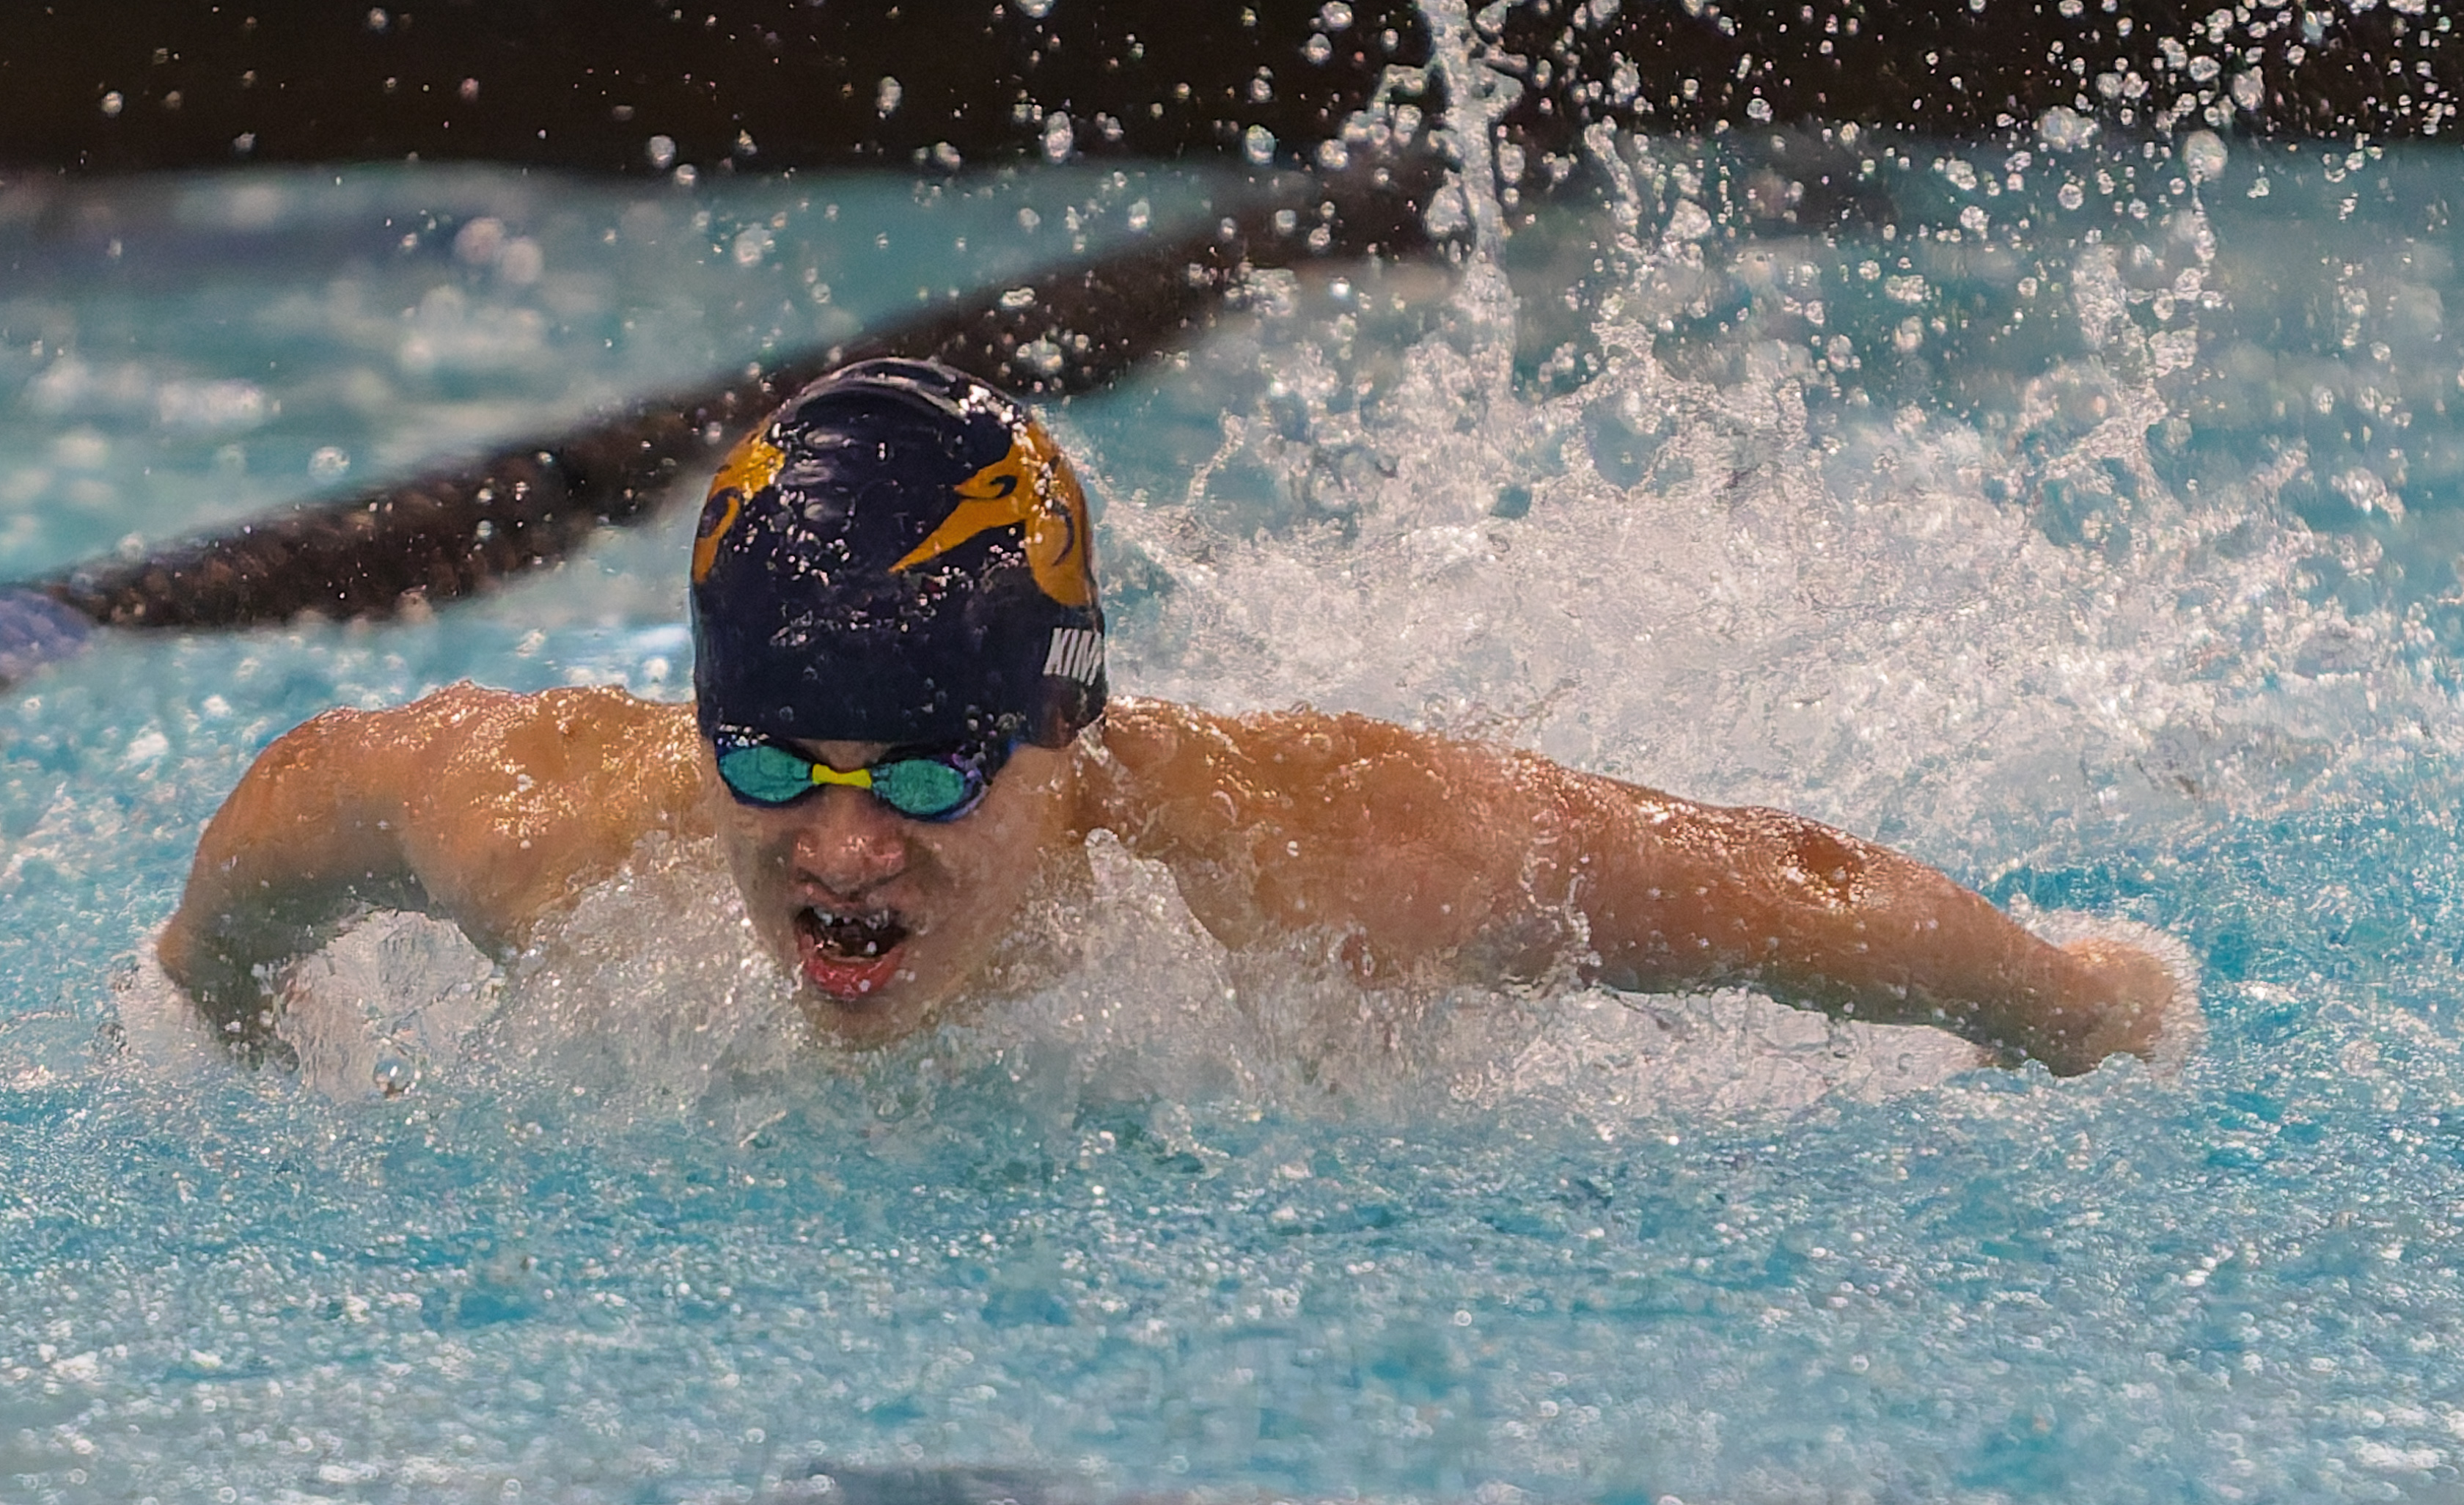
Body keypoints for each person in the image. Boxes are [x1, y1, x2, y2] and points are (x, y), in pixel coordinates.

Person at [158, 357, 2182, 1072]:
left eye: (928, 773)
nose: (842, 848)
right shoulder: (554, 835)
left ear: (1063, 736)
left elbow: (1784, 888)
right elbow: (299, 806)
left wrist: (2075, 1006)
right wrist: (232, 1020)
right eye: (770, 763)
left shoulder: (1325, 872)